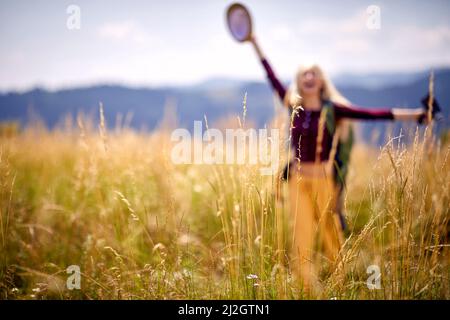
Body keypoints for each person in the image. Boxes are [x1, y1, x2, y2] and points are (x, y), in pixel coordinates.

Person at [249, 36, 428, 291]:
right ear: (299, 81)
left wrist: (419, 116)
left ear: (321, 80)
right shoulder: (293, 106)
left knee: (332, 237)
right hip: (298, 183)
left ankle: (341, 286)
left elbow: (372, 114)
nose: (309, 77)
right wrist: (254, 41)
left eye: (314, 73)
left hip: (325, 182)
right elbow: (272, 78)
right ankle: (309, 291)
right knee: (301, 239)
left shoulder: (333, 110)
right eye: (304, 74)